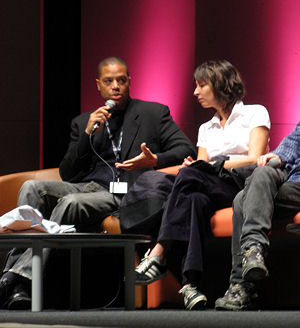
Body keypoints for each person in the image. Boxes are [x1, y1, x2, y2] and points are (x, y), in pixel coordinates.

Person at [0, 56, 196, 310]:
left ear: (129, 82)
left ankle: (16, 280)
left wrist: (153, 159)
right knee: (31, 187)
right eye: (109, 81)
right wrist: (86, 135)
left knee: (71, 203)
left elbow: (185, 148)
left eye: (121, 80)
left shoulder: (153, 113)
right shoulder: (83, 122)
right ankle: (17, 274)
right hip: (88, 186)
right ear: (98, 86)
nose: (116, 86)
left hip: (126, 191)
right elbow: (68, 173)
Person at [134, 59, 271, 310]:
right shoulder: (205, 128)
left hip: (241, 186)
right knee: (193, 198)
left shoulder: (255, 112)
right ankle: (191, 285)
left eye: (201, 85)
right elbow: (200, 169)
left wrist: (211, 166)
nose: (195, 92)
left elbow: (254, 158)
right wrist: (197, 167)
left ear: (220, 85)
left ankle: (159, 251)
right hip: (210, 186)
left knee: (190, 176)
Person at [215, 123, 300, 311]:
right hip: (288, 179)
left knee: (241, 200)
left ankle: (241, 286)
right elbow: (292, 143)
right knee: (260, 173)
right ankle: (253, 251)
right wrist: (277, 155)